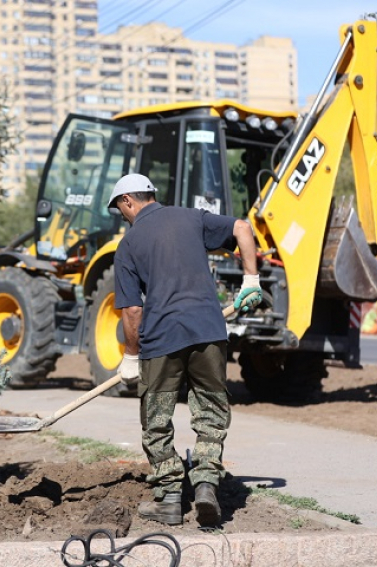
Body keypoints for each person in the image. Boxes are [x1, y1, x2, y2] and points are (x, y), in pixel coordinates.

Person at [110, 173, 261, 527]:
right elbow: (242, 228)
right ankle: (206, 482)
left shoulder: (129, 246)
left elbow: (132, 311)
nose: (123, 218)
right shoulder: (192, 218)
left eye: (121, 211)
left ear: (129, 201)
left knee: (157, 420)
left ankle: (170, 499)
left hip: (162, 339)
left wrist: (131, 356)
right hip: (209, 332)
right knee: (210, 412)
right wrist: (251, 279)